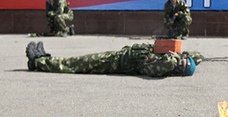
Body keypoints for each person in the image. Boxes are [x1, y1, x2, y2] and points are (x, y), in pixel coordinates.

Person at [25, 41, 201, 77]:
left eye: (182, 62)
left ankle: (38, 62)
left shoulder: (163, 67)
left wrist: (174, 60)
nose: (178, 58)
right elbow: (197, 56)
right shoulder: (165, 61)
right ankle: (44, 59)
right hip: (116, 56)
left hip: (112, 63)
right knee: (77, 61)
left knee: (76, 64)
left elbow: (153, 68)